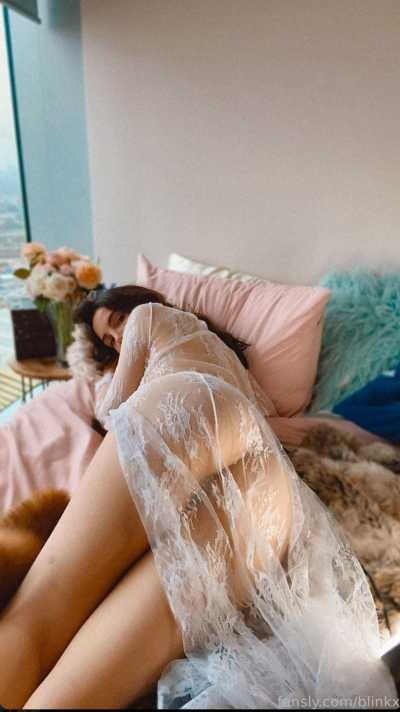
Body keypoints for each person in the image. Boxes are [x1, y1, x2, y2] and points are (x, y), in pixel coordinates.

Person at [0, 285, 396, 709]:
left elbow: (115, 406)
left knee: (45, 603)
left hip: (180, 407)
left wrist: (111, 374)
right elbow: (267, 420)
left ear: (140, 303)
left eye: (116, 324)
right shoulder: (229, 358)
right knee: (165, 616)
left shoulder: (148, 318)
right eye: (109, 341)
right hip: (263, 467)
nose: (118, 338)